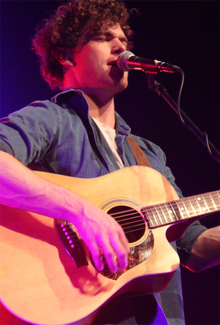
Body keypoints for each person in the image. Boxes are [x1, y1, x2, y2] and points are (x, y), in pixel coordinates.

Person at [0, 0, 219, 324]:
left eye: (124, 40)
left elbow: (196, 249)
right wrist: (81, 212)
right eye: (103, 37)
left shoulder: (149, 154)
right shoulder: (52, 120)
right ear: (65, 55)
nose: (121, 46)